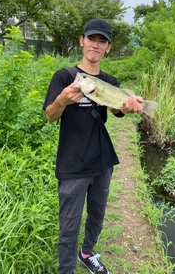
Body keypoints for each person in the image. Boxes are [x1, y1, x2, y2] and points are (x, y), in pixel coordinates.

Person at [43, 19, 144, 274]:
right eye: (91, 39)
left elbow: (114, 107)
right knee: (69, 223)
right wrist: (62, 100)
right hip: (72, 162)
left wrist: (127, 105)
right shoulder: (65, 77)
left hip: (102, 160)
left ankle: (87, 253)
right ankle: (66, 269)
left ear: (108, 47)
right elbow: (50, 115)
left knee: (97, 215)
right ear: (82, 40)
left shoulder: (110, 81)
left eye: (102, 41)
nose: (95, 45)